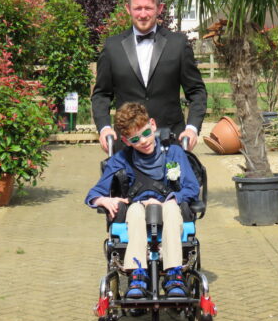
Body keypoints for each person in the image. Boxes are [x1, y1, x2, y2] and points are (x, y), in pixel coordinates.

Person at [85, 102, 200, 299]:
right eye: (135, 139)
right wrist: (103, 200)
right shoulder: (121, 159)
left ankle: (174, 274)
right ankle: (138, 273)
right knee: (135, 211)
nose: (144, 141)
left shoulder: (174, 153)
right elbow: (93, 194)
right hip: (137, 209)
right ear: (126, 141)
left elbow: (192, 188)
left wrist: (172, 199)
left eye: (146, 133)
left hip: (169, 207)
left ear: (153, 125)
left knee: (172, 210)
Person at [91, 0, 207, 152]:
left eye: (148, 8)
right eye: (138, 8)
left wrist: (192, 128)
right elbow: (101, 94)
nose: (143, 14)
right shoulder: (112, 47)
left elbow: (197, 91)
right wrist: (104, 128)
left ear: (159, 9)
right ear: (128, 9)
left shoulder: (178, 44)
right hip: (127, 143)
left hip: (171, 141)